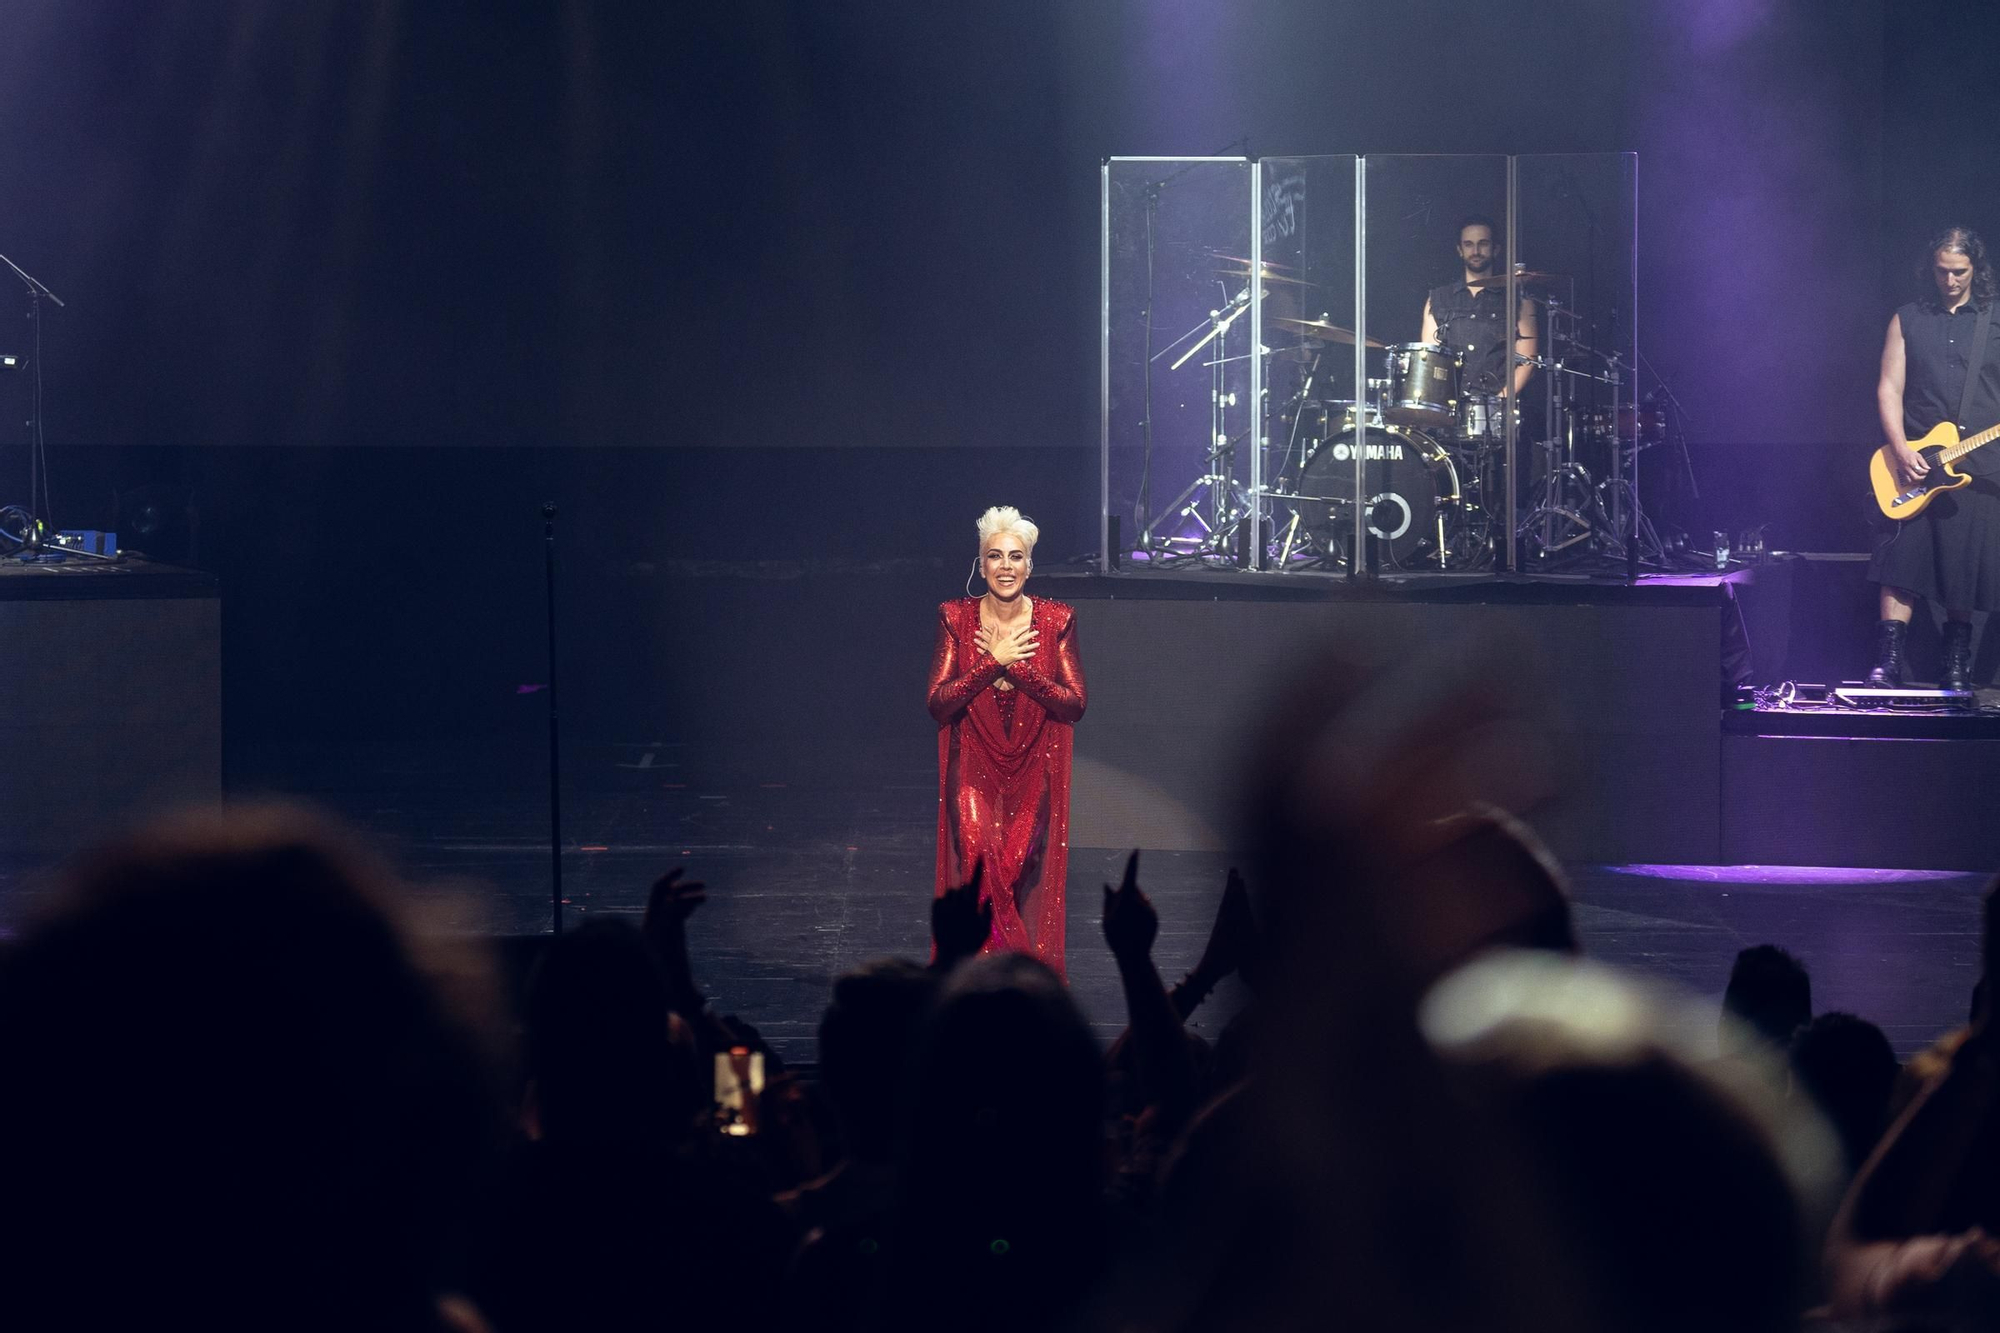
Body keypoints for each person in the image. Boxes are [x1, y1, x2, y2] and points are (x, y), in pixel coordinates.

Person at [926, 505, 1085, 977]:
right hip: (973, 759)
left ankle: (999, 977)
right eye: (995, 556)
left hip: (1035, 763)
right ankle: (1007, 983)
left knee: (1016, 867)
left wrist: (1014, 666)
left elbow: (1073, 704)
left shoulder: (1057, 620)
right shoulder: (955, 617)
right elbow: (938, 703)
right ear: (981, 565)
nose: (1006, 566)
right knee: (977, 861)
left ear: (1030, 565)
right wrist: (989, 662)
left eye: (1016, 557)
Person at [1867, 226, 2000, 688]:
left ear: (1975, 269)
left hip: (1978, 463)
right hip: (1915, 461)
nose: (1950, 281)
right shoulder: (1907, 319)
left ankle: (1956, 662)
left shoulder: (1995, 319)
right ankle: (1886, 661)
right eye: (1943, 271)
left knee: (1961, 568)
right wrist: (1901, 447)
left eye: (1959, 272)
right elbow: (1889, 387)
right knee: (1899, 563)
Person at [1420, 214, 1538, 399]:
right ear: (1460, 250)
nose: (1475, 251)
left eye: (1483, 243)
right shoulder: (1438, 298)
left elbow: (1527, 363)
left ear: (1495, 249)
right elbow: (1429, 359)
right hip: (1449, 409)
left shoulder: (1518, 299)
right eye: (1468, 244)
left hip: (1498, 411)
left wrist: (1498, 405)